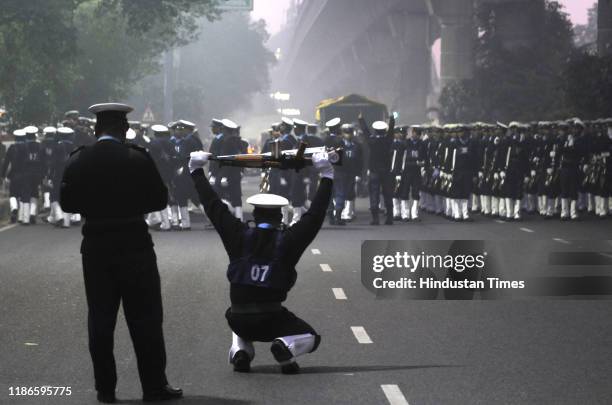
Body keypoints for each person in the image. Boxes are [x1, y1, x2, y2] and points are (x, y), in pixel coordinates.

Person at [60, 103, 181, 403]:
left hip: (96, 249)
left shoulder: (79, 160)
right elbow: (159, 200)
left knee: (100, 319)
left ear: (95, 130)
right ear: (124, 130)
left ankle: (105, 389)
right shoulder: (138, 158)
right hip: (135, 246)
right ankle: (153, 387)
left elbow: (67, 204)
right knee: (146, 320)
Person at [188, 149, 334, 374]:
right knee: (311, 337)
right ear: (280, 216)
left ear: (254, 215)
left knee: (241, 316)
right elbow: (315, 214)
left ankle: (241, 352)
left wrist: (196, 170)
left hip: (237, 318)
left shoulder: (236, 234)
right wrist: (326, 174)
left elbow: (213, 205)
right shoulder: (290, 240)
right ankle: (285, 347)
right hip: (272, 319)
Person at [358, 113, 396, 225]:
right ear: (385, 130)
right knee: (388, 194)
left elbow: (365, 131)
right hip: (386, 172)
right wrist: (392, 120)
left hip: (374, 171)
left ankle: (375, 219)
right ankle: (389, 218)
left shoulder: (371, 141)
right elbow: (391, 130)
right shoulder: (388, 140)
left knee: (374, 194)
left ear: (375, 130)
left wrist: (361, 120)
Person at [1, 129, 27, 223]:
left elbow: (6, 163)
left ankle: (14, 209)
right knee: (21, 195)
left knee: (12, 194)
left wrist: (3, 175)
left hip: (14, 174)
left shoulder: (12, 148)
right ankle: (21, 215)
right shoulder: (26, 147)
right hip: (25, 174)